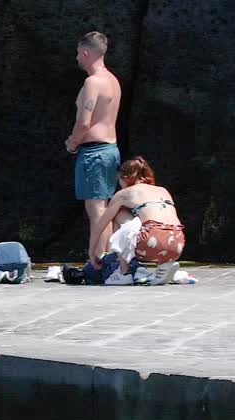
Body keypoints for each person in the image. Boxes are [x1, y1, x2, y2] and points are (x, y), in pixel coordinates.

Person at [64, 31, 122, 267]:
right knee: (104, 209)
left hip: (94, 153)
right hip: (111, 150)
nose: (77, 57)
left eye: (78, 53)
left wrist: (72, 143)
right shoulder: (113, 81)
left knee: (96, 209)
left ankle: (100, 263)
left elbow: (84, 122)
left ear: (87, 53)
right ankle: (107, 259)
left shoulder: (92, 82)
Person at [88, 156, 185, 285]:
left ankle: (124, 271)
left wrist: (92, 252)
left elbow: (100, 225)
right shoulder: (163, 190)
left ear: (125, 178)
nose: (120, 185)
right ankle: (164, 265)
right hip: (177, 244)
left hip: (151, 242)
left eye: (119, 181)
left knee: (119, 213)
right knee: (149, 221)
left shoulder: (124, 194)